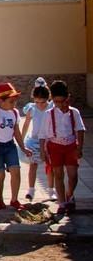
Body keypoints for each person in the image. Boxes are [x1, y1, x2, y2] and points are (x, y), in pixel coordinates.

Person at [0, 82, 31, 209]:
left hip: (9, 145)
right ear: (1, 101)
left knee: (16, 171)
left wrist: (23, 147)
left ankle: (14, 200)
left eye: (15, 101)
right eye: (11, 101)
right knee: (0, 174)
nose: (14, 104)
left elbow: (17, 131)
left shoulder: (14, 113)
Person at [39, 80, 86, 214]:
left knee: (73, 175)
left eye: (62, 101)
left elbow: (80, 130)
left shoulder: (74, 112)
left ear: (67, 98)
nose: (59, 104)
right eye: (56, 102)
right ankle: (62, 202)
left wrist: (79, 148)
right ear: (52, 99)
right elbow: (42, 135)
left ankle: (69, 194)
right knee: (58, 175)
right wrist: (42, 151)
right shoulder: (49, 114)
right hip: (55, 146)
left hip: (71, 146)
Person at [21, 81, 53, 202]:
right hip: (34, 140)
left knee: (50, 166)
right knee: (33, 165)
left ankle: (51, 190)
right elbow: (26, 124)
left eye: (43, 102)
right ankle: (31, 189)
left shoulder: (51, 107)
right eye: (37, 102)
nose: (40, 105)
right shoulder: (32, 108)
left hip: (48, 140)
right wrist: (21, 140)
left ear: (48, 98)